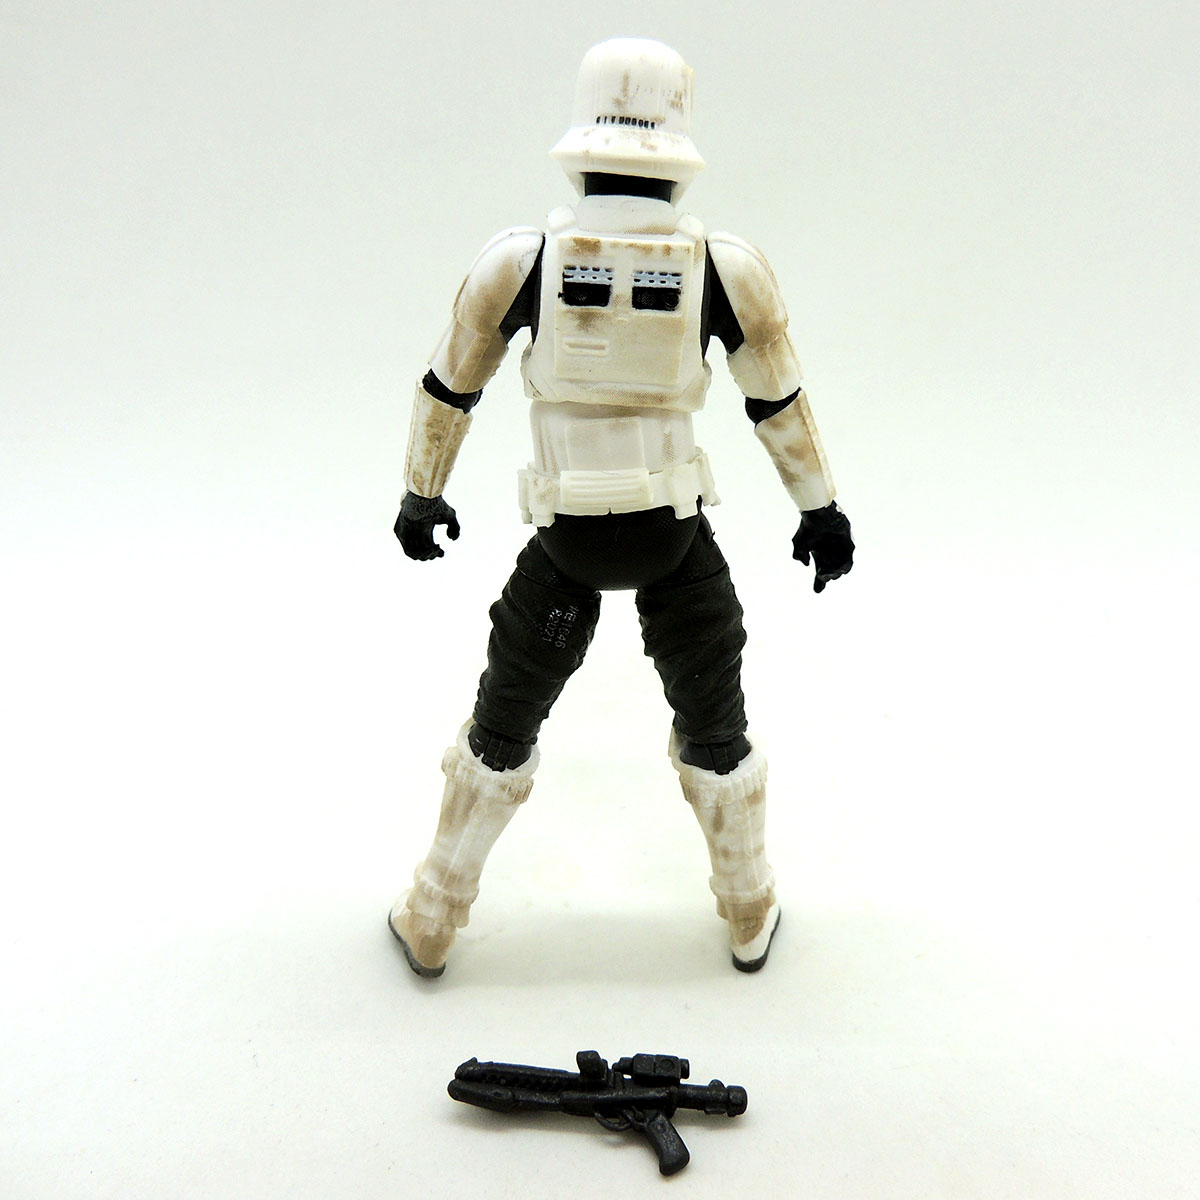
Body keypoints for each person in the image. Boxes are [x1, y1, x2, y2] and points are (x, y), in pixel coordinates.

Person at [388, 38, 854, 978]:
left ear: (579, 151)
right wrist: (820, 509)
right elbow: (778, 401)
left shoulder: (523, 260)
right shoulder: (725, 267)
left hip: (566, 542)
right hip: (671, 536)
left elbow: (451, 386)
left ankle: (434, 912)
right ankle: (748, 910)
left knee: (504, 721)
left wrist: (421, 492)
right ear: (680, 162)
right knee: (715, 724)